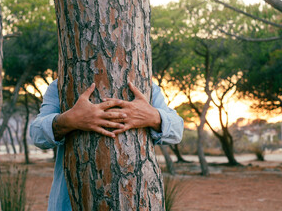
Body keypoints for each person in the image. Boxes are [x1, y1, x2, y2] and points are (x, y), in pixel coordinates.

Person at [30, 79, 184, 210]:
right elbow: (37, 135)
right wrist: (69, 120)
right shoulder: (61, 84)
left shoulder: (146, 85)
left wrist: (154, 117)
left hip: (138, 200)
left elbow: (177, 131)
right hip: (71, 201)